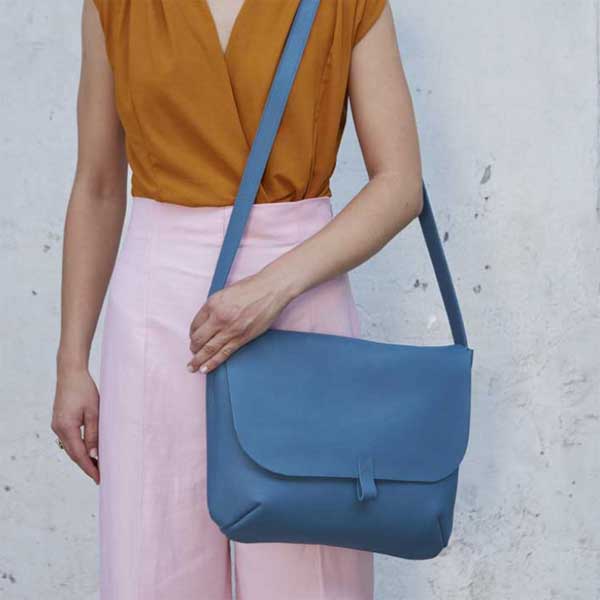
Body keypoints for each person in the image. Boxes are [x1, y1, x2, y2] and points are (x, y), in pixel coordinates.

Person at [51, 0, 423, 598]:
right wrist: (72, 362)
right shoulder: (114, 7)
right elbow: (96, 185)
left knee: (306, 569)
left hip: (300, 308)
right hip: (158, 317)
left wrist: (274, 287)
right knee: (156, 565)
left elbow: (400, 185)